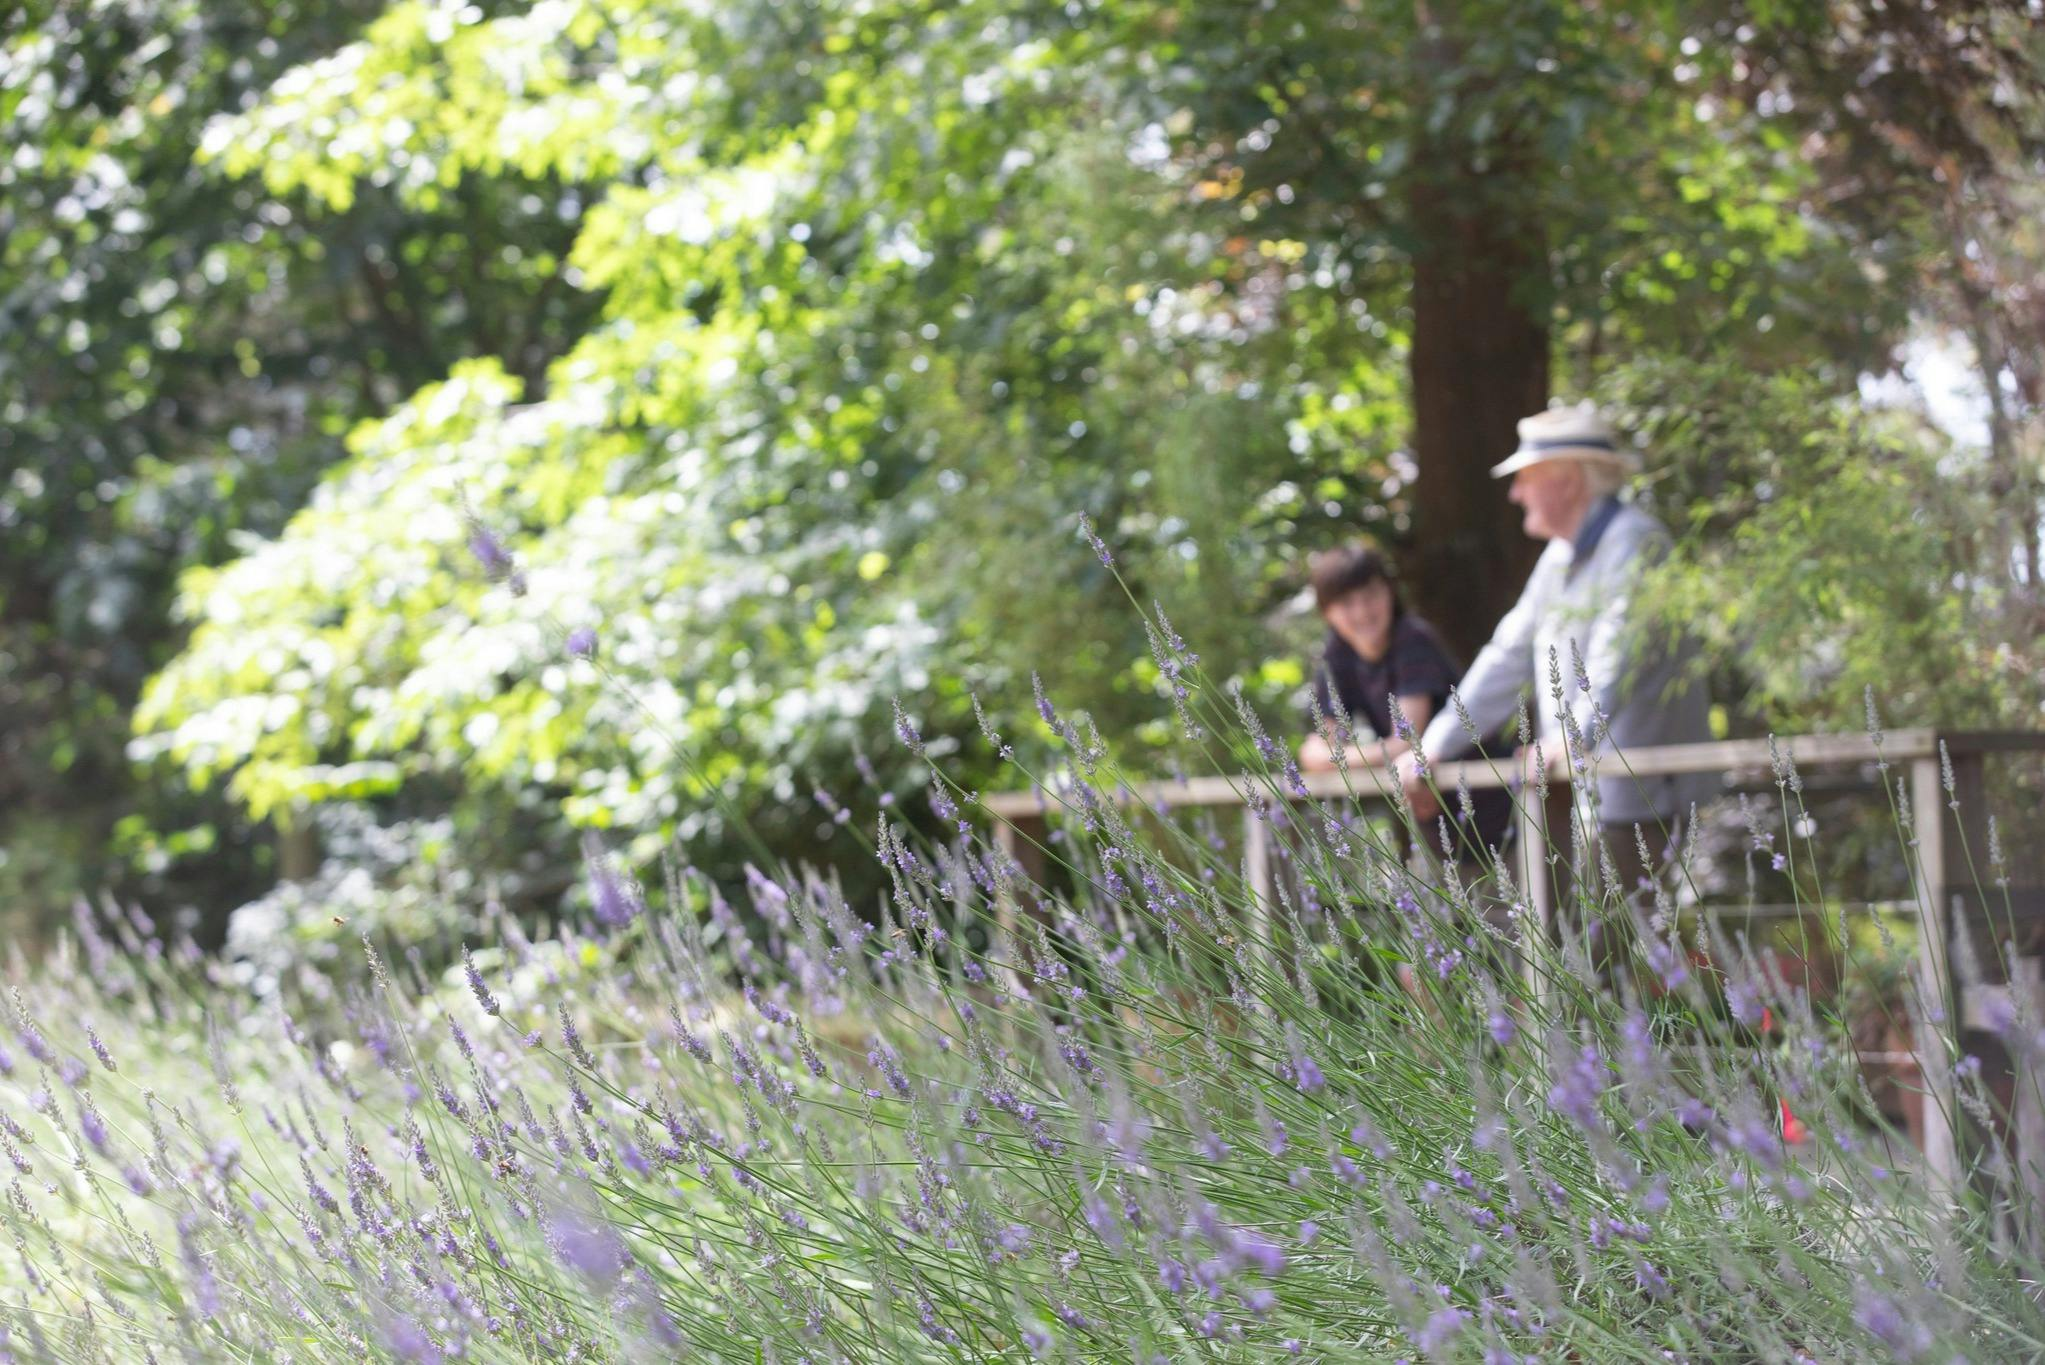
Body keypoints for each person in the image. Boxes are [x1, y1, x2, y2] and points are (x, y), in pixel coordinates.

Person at [1398, 403, 1711, 914]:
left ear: (1566, 480)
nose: (1515, 493)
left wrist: (1567, 737)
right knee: (1563, 952)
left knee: (1598, 958)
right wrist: (1431, 746)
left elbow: (1618, 656)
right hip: (1585, 793)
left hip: (1639, 797)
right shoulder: (1561, 556)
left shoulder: (1634, 540)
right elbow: (1506, 657)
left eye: (1525, 479)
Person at [1301, 544, 1512, 851]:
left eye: (1371, 595)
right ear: (1327, 611)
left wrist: (1334, 758)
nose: (1362, 611)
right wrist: (1332, 756)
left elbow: (1406, 741)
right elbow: (1315, 750)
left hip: (1499, 807)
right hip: (1432, 821)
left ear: (1390, 592)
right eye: (1347, 602)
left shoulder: (1412, 640)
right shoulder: (1335, 654)